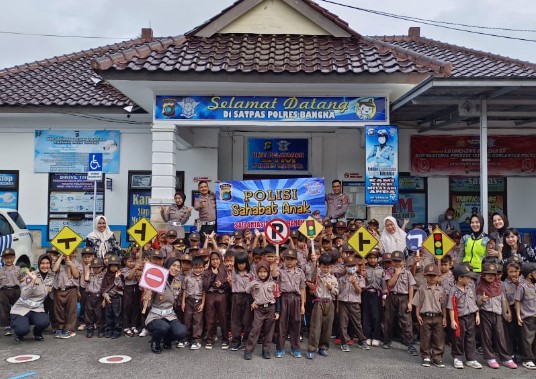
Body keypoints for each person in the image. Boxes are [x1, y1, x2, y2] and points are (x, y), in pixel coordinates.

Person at [476, 262, 517, 369]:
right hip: (485, 314)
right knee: (487, 336)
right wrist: (481, 300)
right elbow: (476, 303)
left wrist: (506, 313)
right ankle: (490, 358)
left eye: (493, 274)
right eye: (488, 273)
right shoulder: (480, 287)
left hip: (498, 315)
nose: (491, 276)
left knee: (501, 337)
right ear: (483, 275)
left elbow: (503, 299)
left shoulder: (499, 285)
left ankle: (506, 358)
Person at [143, 256, 187, 354]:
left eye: (178, 266)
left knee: (181, 332)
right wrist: (147, 297)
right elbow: (148, 302)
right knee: (163, 327)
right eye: (173, 265)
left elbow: (176, 297)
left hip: (169, 315)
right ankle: (155, 342)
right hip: (155, 315)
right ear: (167, 265)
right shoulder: (158, 279)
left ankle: (167, 340)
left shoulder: (178, 282)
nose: (176, 268)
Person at [9, 254, 54, 342]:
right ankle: (19, 331)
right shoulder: (30, 275)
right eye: (42, 263)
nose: (45, 266)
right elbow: (24, 296)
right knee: (22, 330)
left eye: (47, 263)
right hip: (21, 308)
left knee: (44, 321)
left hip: (36, 309)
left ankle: (37, 333)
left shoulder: (51, 278)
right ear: (38, 264)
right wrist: (33, 281)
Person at [383, 250, 418, 356]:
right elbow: (389, 284)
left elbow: (411, 287)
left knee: (406, 321)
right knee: (389, 319)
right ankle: (387, 341)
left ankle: (410, 344)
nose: (397, 263)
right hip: (391, 297)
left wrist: (410, 302)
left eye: (399, 261)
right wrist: (396, 274)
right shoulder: (389, 271)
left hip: (403, 298)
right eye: (395, 261)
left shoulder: (407, 273)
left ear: (404, 261)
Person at [244, 261, 280, 360]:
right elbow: (247, 292)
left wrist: (277, 311)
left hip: (270, 308)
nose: (262, 274)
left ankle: (266, 351)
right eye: (260, 272)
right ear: (257, 272)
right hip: (259, 309)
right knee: (255, 330)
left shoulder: (273, 283)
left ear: (268, 272)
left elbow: (277, 297)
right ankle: (248, 350)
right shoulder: (254, 283)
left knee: (269, 331)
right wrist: (252, 302)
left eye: (265, 271)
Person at [412, 263, 447, 367]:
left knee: (439, 338)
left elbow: (443, 305)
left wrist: (445, 317)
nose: (431, 278)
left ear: (438, 277)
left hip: (438, 316)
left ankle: (437, 357)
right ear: (425, 276)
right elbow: (418, 303)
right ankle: (426, 356)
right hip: (425, 316)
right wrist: (417, 315)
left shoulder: (441, 290)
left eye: (434, 276)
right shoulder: (422, 289)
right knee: (425, 338)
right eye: (429, 275)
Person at [447, 264, 482, 369]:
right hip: (460, 318)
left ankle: (471, 359)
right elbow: (451, 307)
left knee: (471, 338)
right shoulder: (454, 291)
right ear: (460, 278)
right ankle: (458, 357)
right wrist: (453, 320)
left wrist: (477, 314)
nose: (470, 279)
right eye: (467, 277)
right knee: (459, 338)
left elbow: (474, 302)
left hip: (471, 317)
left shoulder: (470, 287)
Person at [306, 253, 339, 359]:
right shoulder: (316, 276)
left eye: (328, 267)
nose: (326, 269)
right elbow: (312, 274)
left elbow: (337, 292)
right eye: (324, 267)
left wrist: (331, 288)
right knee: (315, 327)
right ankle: (311, 348)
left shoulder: (333, 278)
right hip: (318, 302)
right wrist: (315, 262)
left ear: (331, 267)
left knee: (327, 327)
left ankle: (323, 347)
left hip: (329, 303)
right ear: (320, 266)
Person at [276, 249, 306, 358]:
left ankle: (295, 348)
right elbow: (274, 276)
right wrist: (275, 263)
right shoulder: (280, 270)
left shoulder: (300, 272)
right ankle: (280, 348)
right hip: (284, 297)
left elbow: (302, 289)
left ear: (296, 261)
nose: (289, 261)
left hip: (296, 299)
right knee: (282, 323)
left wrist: (302, 305)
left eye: (292, 259)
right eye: (287, 259)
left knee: (296, 323)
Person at [337, 254, 369, 352]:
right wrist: (337, 306)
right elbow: (338, 293)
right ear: (345, 267)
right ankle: (344, 342)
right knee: (343, 323)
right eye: (349, 266)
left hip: (354, 303)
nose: (351, 268)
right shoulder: (341, 279)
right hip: (343, 303)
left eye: (353, 266)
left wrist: (354, 283)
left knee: (357, 323)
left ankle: (362, 340)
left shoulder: (359, 278)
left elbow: (359, 291)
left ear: (357, 267)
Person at [202, 250, 230, 349]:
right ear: (210, 260)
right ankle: (210, 339)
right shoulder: (207, 271)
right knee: (210, 318)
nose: (215, 261)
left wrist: (221, 285)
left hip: (221, 296)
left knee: (223, 318)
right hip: (210, 296)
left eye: (217, 259)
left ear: (220, 259)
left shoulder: (225, 271)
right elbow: (205, 286)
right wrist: (213, 276)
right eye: (213, 259)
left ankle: (225, 339)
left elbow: (228, 287)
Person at [52, 250, 82, 339]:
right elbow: (54, 269)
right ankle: (60, 327)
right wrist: (61, 257)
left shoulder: (77, 263)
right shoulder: (59, 263)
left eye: (72, 252)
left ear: (75, 253)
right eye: (66, 252)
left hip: (71, 289)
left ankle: (69, 328)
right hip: (59, 289)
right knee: (59, 310)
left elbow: (76, 275)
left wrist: (71, 265)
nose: (69, 254)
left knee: (71, 310)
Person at [229, 252, 254, 351]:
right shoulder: (234, 272)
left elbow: (253, 289)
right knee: (235, 320)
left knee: (247, 321)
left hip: (247, 297)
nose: (241, 265)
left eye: (243, 263)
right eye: (239, 263)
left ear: (246, 263)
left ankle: (246, 341)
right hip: (236, 296)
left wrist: (253, 301)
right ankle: (236, 341)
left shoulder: (251, 274)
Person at [514, 262, 536, 370]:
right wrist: (518, 316)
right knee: (527, 339)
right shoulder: (522, 286)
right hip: (527, 317)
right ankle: (527, 359)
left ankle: (534, 357)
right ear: (529, 275)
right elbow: (517, 301)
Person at [181, 255, 205, 350]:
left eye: (200, 268)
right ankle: (186, 338)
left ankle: (196, 340)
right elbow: (184, 289)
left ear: (203, 267)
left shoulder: (204, 277)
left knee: (197, 321)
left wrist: (203, 303)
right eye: (195, 267)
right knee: (187, 320)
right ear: (192, 267)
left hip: (198, 301)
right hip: (189, 301)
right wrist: (183, 302)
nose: (198, 270)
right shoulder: (188, 277)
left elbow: (204, 292)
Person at [363, 248, 385, 347]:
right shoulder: (364, 269)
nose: (372, 260)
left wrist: (384, 296)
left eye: (374, 258)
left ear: (377, 259)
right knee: (366, 316)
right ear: (367, 259)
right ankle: (367, 336)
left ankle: (375, 337)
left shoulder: (381, 270)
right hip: (366, 294)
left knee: (376, 316)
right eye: (370, 258)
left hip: (377, 295)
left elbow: (383, 284)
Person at [101, 254, 123, 339]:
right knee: (108, 314)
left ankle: (117, 330)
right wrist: (105, 295)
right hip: (108, 298)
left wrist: (117, 278)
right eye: (112, 266)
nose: (113, 268)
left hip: (117, 298)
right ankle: (109, 329)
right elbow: (103, 288)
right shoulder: (106, 275)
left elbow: (121, 287)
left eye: (115, 266)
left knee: (117, 314)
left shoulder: (121, 276)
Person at [0, 248, 22, 336]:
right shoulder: (1, 270)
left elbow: (23, 279)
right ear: (3, 259)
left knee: (18, 306)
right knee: (3, 306)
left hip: (16, 289)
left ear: (14, 258)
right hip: (4, 290)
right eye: (6, 258)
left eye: (11, 258)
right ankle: (7, 326)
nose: (9, 260)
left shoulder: (18, 268)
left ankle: (18, 323)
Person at [83, 256, 105, 338]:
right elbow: (86, 278)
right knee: (89, 313)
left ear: (102, 267)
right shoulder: (90, 274)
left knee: (99, 314)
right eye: (94, 267)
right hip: (90, 295)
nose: (96, 269)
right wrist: (89, 268)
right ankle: (89, 328)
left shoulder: (103, 275)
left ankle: (100, 329)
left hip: (99, 296)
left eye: (98, 267)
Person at [121, 252, 141, 337]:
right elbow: (129, 277)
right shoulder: (124, 269)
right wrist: (135, 269)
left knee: (135, 307)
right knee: (127, 308)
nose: (132, 263)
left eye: (133, 261)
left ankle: (133, 325)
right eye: (129, 261)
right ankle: (126, 327)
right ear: (125, 262)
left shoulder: (137, 268)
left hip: (136, 288)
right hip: (128, 289)